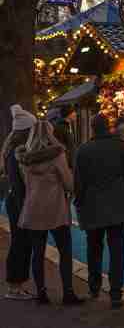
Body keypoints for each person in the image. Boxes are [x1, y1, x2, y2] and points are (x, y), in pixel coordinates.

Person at [74, 113, 124, 309]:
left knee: (94, 247)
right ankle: (115, 293)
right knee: (117, 249)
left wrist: (79, 202)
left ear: (93, 129)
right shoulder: (120, 146)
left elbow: (78, 182)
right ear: (109, 127)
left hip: (92, 205)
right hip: (118, 204)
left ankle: (94, 287)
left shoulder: (83, 150)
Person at [16, 120, 83, 305]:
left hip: (33, 209)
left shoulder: (24, 159)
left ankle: (41, 293)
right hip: (55, 211)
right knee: (65, 251)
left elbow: (24, 183)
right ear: (50, 134)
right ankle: (68, 292)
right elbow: (69, 183)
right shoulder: (57, 155)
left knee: (37, 253)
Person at [1, 105, 36, 300]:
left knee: (20, 242)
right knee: (20, 243)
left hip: (15, 202)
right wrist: (26, 208)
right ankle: (15, 285)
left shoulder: (11, 150)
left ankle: (16, 284)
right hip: (19, 203)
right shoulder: (16, 153)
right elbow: (19, 183)